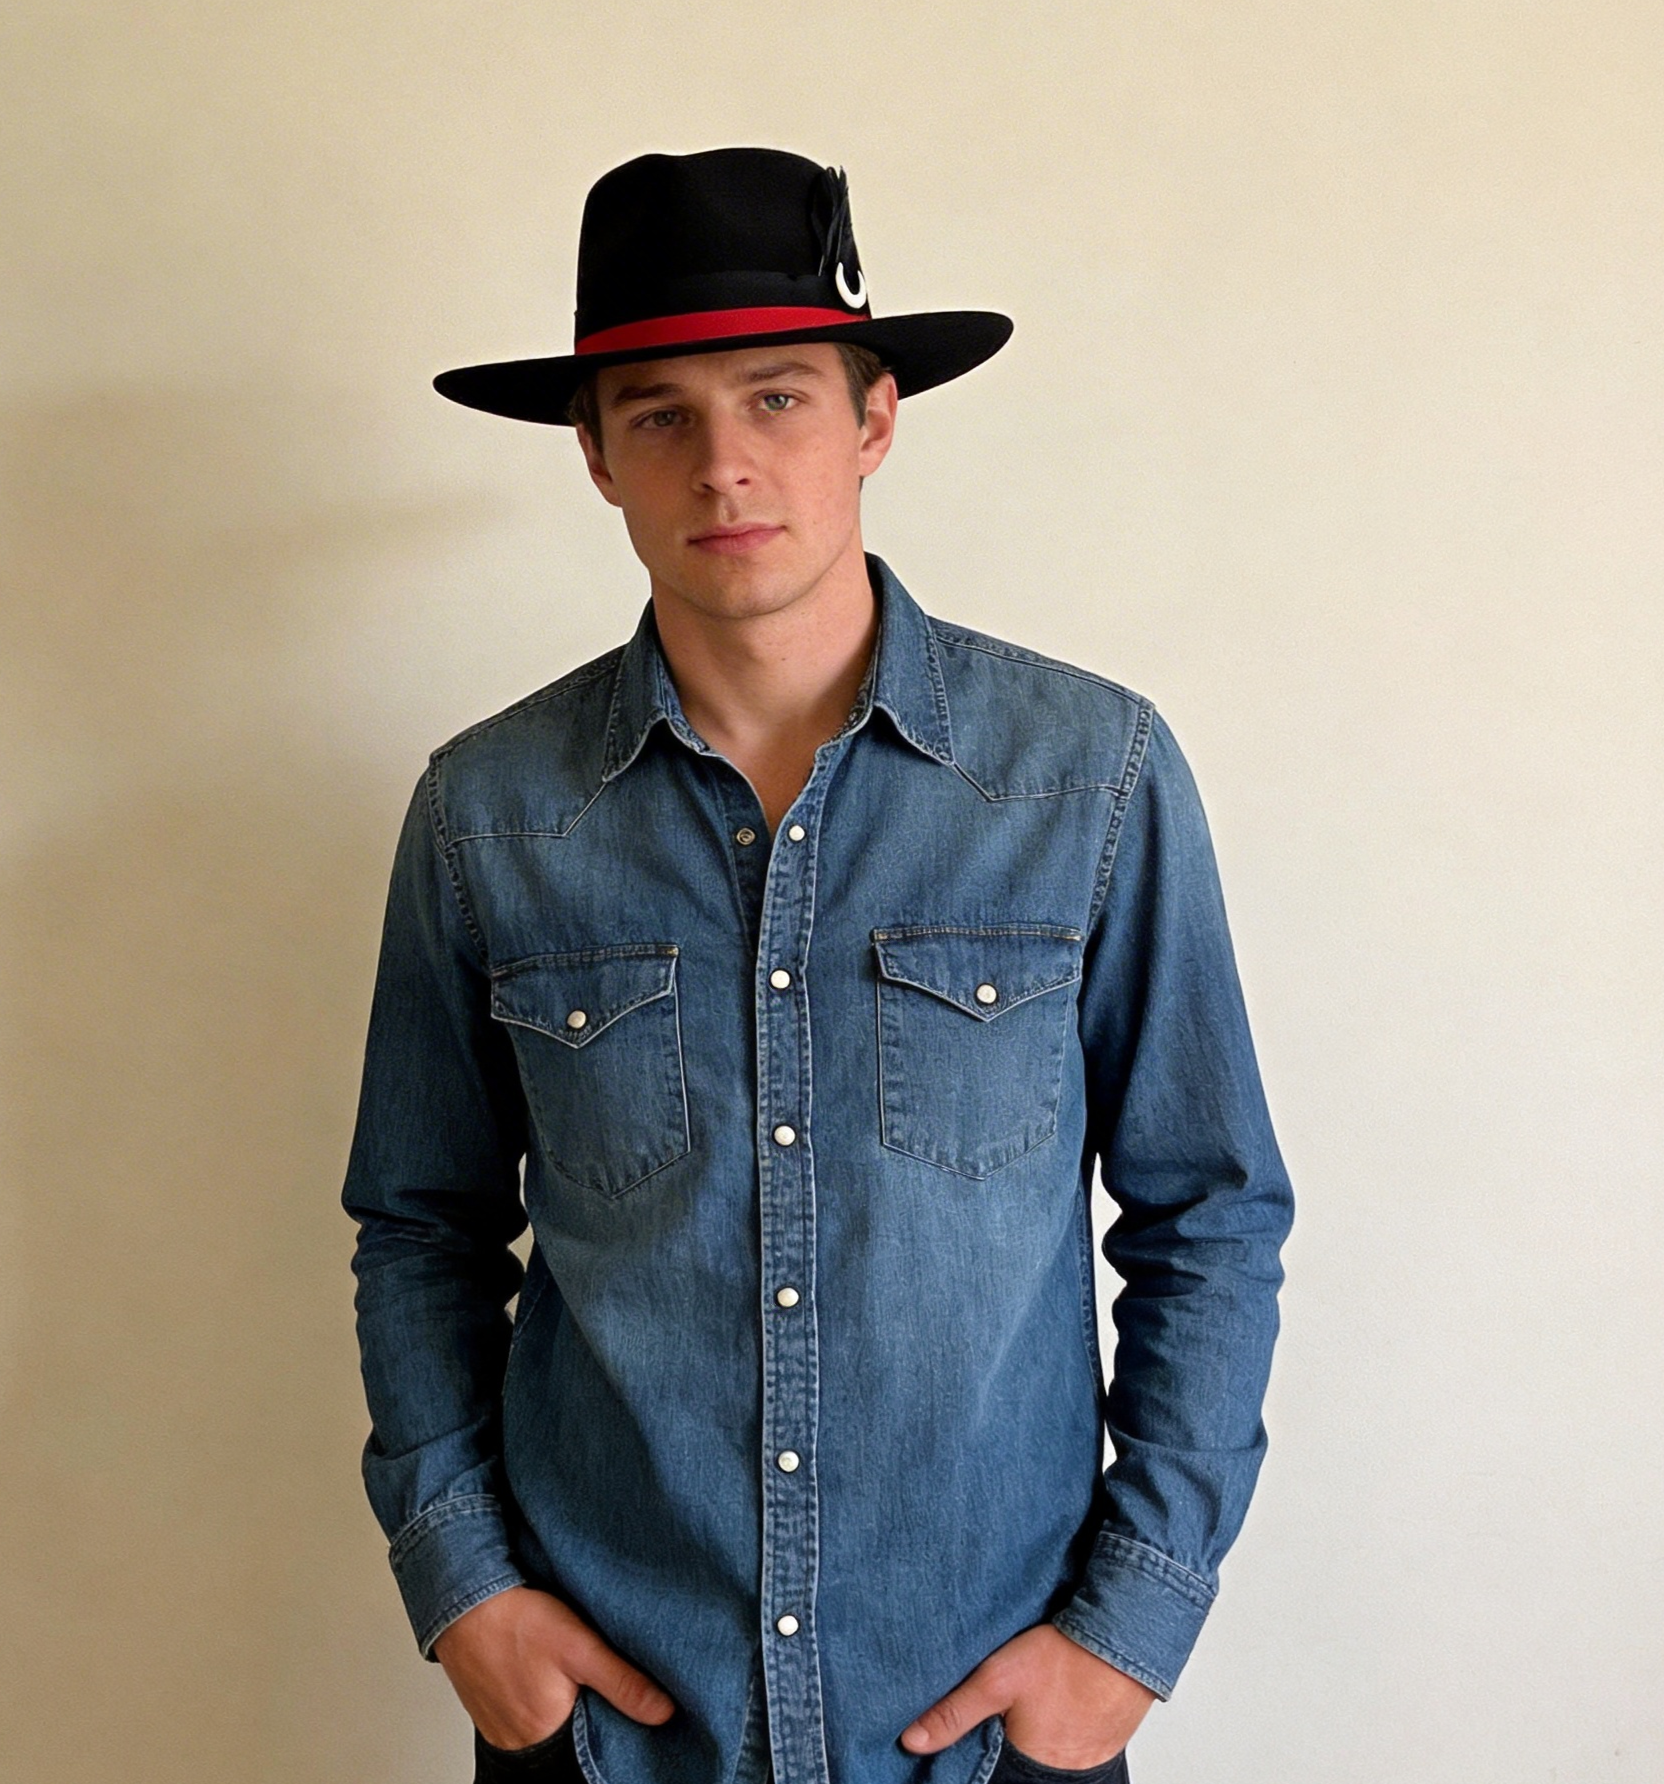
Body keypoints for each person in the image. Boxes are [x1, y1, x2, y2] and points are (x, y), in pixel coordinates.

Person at [340, 147, 1294, 1784]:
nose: (723, 464)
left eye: (776, 398)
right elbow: (421, 1227)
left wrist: (1129, 1629)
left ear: (875, 421)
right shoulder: (490, 815)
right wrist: (464, 1587)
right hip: (608, 1735)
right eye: (660, 416)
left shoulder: (1087, 780)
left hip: (988, 1730)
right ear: (596, 456)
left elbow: (1210, 1211)